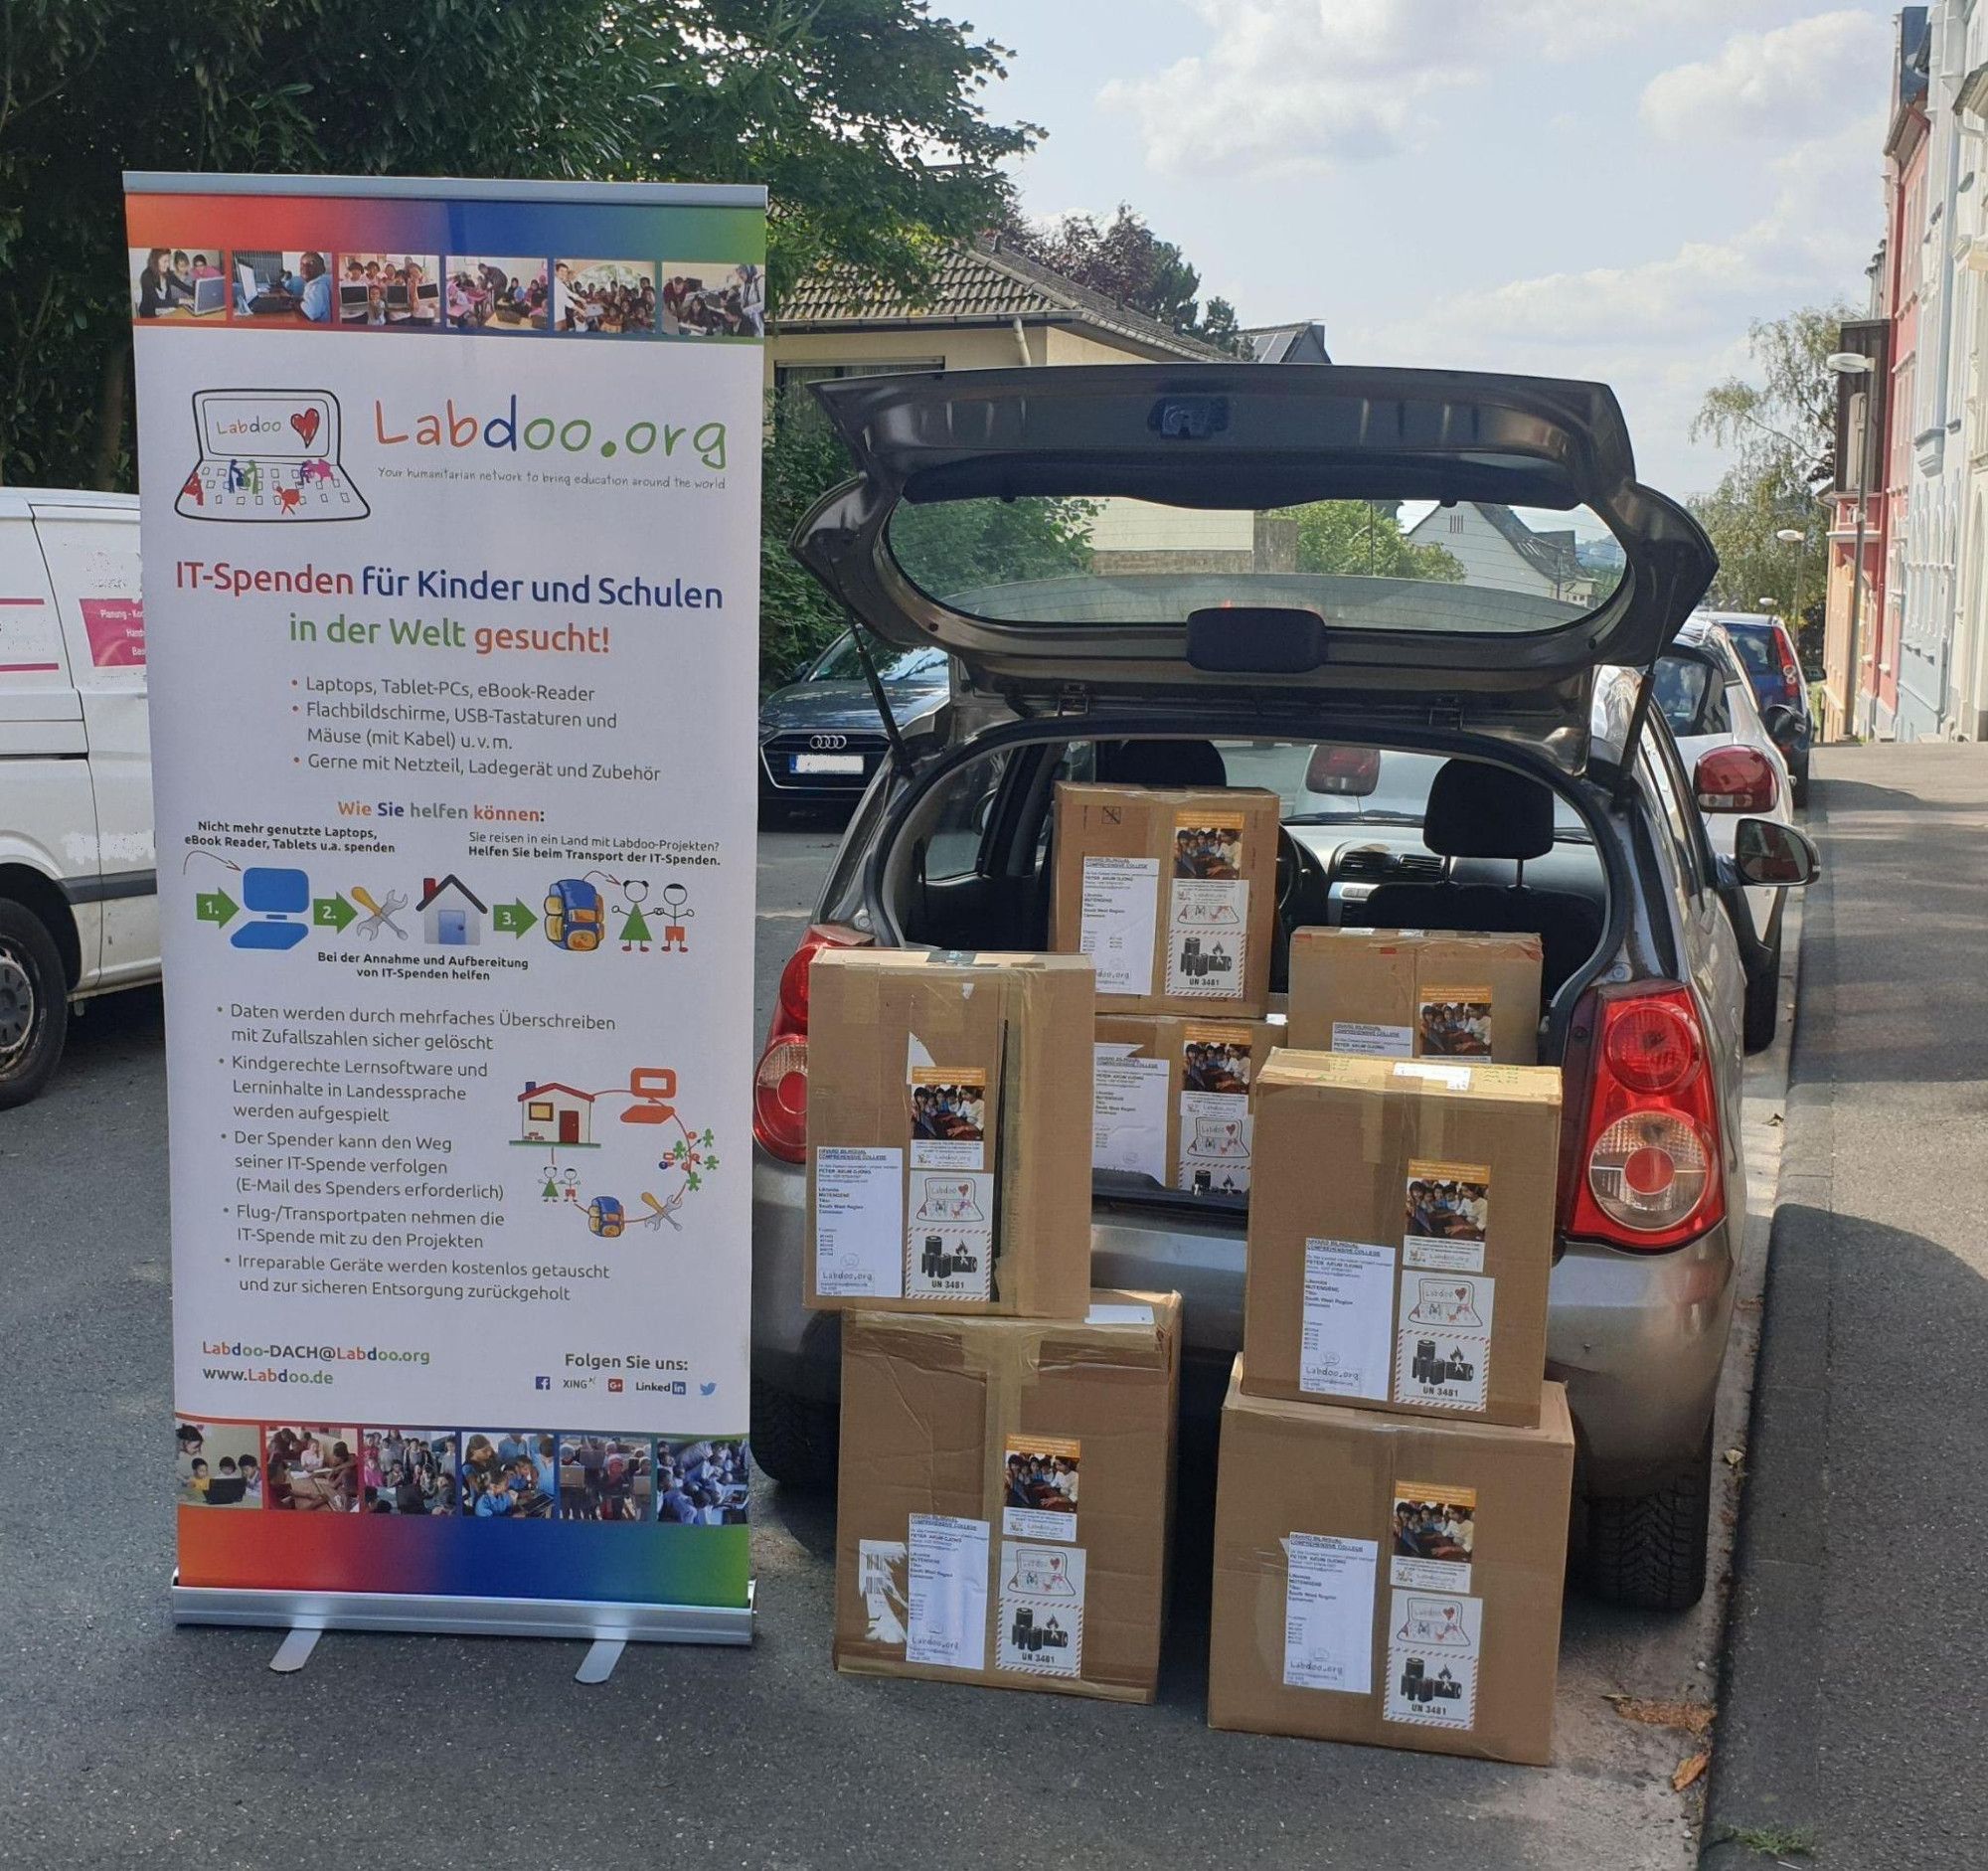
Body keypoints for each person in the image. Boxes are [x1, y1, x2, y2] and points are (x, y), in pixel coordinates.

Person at [283, 251, 333, 322]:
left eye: (311, 264)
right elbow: (311, 300)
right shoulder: (314, 283)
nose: (305, 268)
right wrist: (298, 299)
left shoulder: (317, 286)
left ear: (321, 269)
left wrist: (294, 304)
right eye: (302, 264)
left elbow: (311, 313)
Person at [136, 249, 175, 319]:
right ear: (155, 261)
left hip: (164, 310)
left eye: (169, 261)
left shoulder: (167, 272)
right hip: (149, 315)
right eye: (165, 261)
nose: (168, 264)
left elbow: (182, 285)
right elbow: (157, 302)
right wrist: (181, 300)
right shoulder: (146, 276)